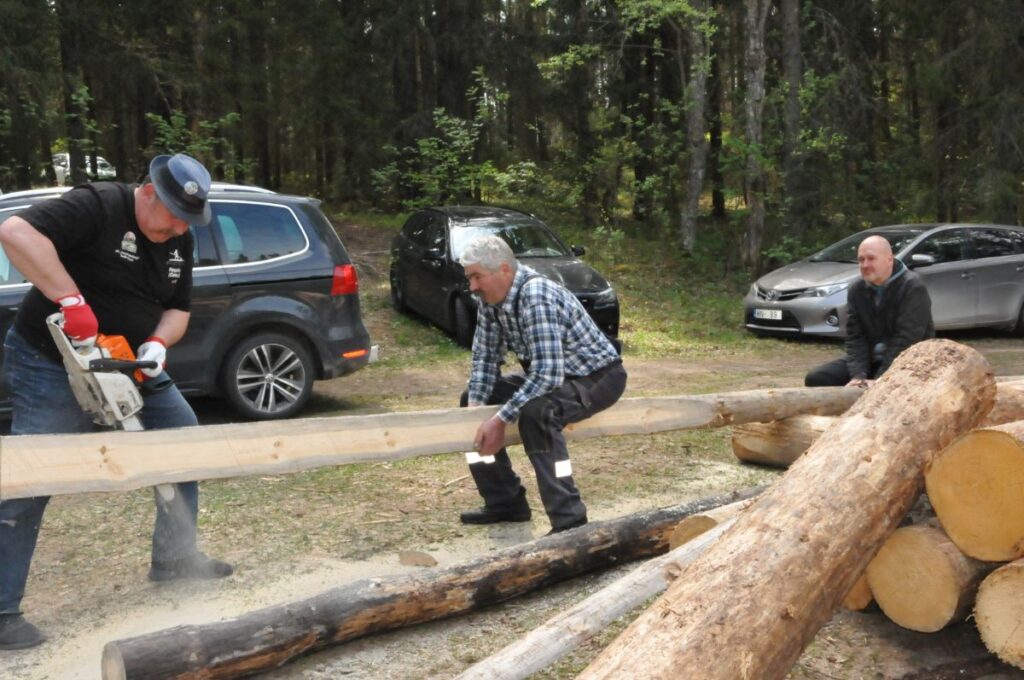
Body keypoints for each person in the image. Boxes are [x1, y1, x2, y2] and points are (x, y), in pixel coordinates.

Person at [0, 153, 233, 650]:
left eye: (186, 221)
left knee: (183, 439)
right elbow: (16, 233)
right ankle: (1, 610)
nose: (176, 229)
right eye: (172, 215)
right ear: (149, 192)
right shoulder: (98, 205)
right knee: (32, 472)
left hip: (127, 362)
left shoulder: (178, 239)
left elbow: (178, 309)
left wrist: (159, 344)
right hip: (51, 359)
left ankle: (175, 561)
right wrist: (70, 300)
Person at [457, 235, 627, 535]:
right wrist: (476, 411)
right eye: (469, 278)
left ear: (504, 270)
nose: (472, 286)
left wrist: (499, 420)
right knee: (470, 399)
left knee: (539, 413)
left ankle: (569, 520)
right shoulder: (490, 301)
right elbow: (484, 360)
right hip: (555, 374)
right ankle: (505, 501)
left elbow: (547, 374)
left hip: (598, 377)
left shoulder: (536, 295)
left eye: (477, 277)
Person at [805, 234, 934, 388]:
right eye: (861, 259)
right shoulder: (856, 289)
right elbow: (855, 337)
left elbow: (906, 340)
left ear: (889, 259)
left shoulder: (913, 287)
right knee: (817, 378)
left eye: (871, 258)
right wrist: (858, 376)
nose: (865, 265)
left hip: (908, 363)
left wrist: (881, 378)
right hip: (871, 360)